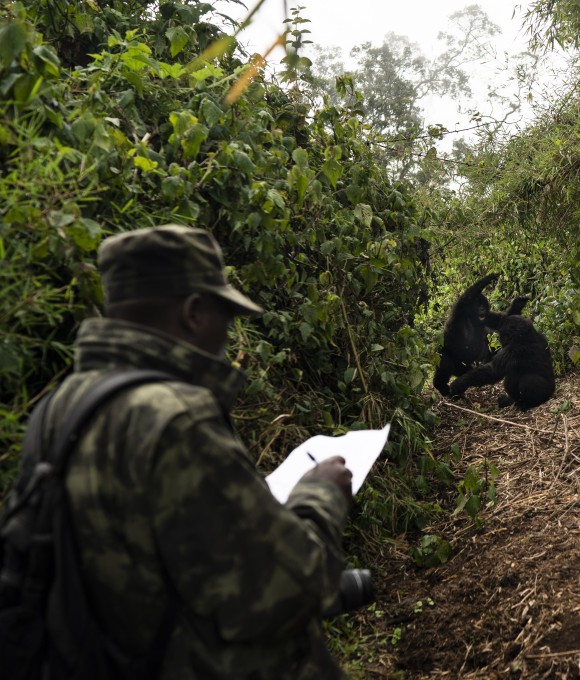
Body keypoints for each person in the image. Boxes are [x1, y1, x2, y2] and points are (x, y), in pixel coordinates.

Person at [40, 224, 353, 678]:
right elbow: (286, 590)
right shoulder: (176, 419)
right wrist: (320, 494)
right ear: (193, 312)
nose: (229, 332)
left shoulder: (62, 405)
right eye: (225, 314)